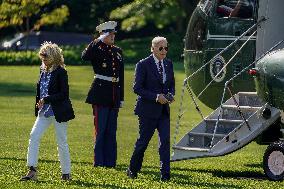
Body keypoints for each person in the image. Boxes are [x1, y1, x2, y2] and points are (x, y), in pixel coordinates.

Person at [21, 42, 75, 181]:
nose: (43, 60)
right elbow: (40, 91)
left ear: (54, 57)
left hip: (59, 112)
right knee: (34, 136)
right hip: (44, 112)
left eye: (46, 57)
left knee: (61, 142)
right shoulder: (42, 70)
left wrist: (47, 99)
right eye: (42, 57)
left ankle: (66, 173)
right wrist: (39, 102)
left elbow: (64, 94)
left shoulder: (61, 72)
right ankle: (32, 170)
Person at [126, 36, 175, 181]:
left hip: (164, 111)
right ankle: (132, 169)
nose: (164, 51)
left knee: (165, 141)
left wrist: (170, 94)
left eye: (166, 48)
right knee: (143, 142)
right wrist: (156, 97)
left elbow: (171, 84)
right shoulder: (143, 64)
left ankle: (165, 175)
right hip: (147, 111)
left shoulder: (169, 63)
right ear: (152, 48)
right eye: (161, 48)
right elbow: (137, 88)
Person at [81, 21, 124, 168]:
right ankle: (99, 162)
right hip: (100, 93)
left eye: (113, 34)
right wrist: (97, 40)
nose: (113, 36)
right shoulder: (97, 48)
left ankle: (111, 162)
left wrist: (121, 97)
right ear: (103, 35)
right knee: (100, 130)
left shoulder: (118, 51)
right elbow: (85, 56)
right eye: (110, 34)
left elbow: (121, 77)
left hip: (114, 95)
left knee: (112, 131)